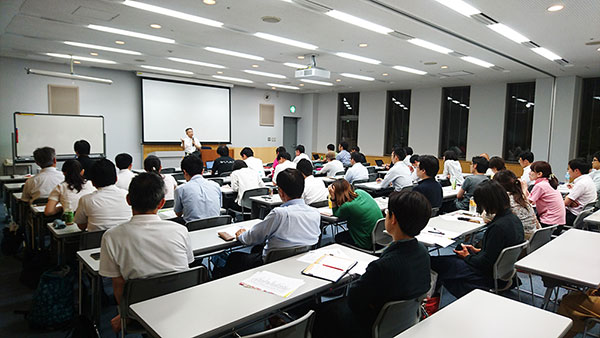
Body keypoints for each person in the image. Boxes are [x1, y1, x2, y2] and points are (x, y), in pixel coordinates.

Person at [313, 190, 432, 338]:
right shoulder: (423, 252)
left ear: (393, 218)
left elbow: (354, 301)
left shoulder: (383, 267)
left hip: (371, 324)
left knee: (322, 312)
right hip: (403, 321)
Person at [99, 172, 193, 333]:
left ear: (128, 200)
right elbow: (188, 265)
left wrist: (124, 315)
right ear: (162, 203)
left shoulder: (111, 237)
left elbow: (118, 284)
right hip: (181, 304)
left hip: (138, 311)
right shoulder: (180, 230)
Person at [216, 169, 321, 276]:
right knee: (257, 249)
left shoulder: (279, 214)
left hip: (272, 263)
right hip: (300, 262)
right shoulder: (315, 213)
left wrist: (241, 235)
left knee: (234, 257)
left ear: (280, 191)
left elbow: (252, 237)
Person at [430, 180, 524, 299]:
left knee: (435, 262)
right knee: (452, 258)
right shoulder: (514, 219)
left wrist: (467, 256)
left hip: (487, 273)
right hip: (503, 272)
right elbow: (499, 251)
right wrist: (478, 251)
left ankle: (432, 301)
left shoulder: (497, 227)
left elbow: (484, 263)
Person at [74, 159, 132, 231]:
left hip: (97, 241)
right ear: (116, 179)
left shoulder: (85, 200)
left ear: (93, 182)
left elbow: (81, 226)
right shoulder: (126, 195)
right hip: (124, 240)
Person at [329, 179, 383, 250]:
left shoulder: (347, 206)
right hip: (381, 238)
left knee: (338, 237)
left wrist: (333, 198)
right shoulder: (361, 192)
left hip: (367, 242)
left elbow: (336, 214)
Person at [174, 154, 222, 223]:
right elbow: (219, 207)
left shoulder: (181, 189)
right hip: (215, 226)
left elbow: (178, 214)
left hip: (193, 229)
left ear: (184, 172)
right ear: (202, 171)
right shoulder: (216, 185)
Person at [494, 170, 540, 240]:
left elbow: (487, 217)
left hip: (522, 241)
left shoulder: (505, 200)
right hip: (535, 239)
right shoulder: (521, 197)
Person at [528, 161, 566, 227]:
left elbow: (527, 202)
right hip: (558, 224)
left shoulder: (540, 185)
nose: (529, 173)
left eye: (531, 171)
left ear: (539, 174)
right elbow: (532, 200)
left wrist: (523, 188)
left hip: (549, 224)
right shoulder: (548, 183)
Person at [564, 158, 597, 226]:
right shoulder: (588, 179)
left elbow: (565, 203)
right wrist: (572, 202)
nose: (568, 171)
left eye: (569, 169)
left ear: (576, 171)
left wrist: (568, 201)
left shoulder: (580, 184)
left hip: (572, 216)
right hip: (580, 215)